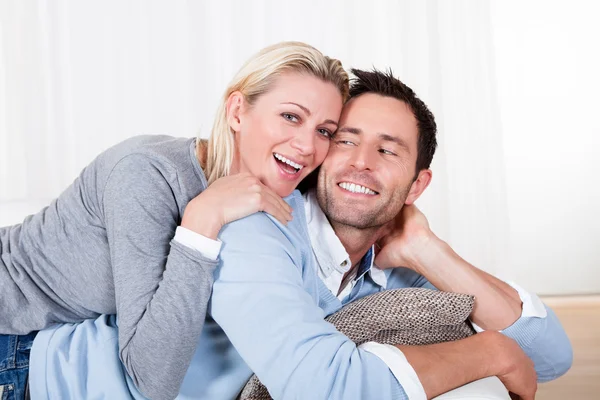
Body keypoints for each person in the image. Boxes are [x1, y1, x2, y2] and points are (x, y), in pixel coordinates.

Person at [28, 69, 571, 399]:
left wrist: (429, 250)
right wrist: (491, 353)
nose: (359, 162)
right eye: (343, 140)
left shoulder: (393, 270)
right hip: (44, 383)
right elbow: (324, 390)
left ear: (416, 184)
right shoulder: (257, 226)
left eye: (387, 150)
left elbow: (549, 359)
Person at [0, 41, 348, 400]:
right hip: (11, 339)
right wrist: (201, 221)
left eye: (324, 131)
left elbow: (317, 311)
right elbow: (151, 380)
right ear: (237, 111)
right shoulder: (147, 174)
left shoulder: (279, 189)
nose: (308, 146)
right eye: (291, 116)